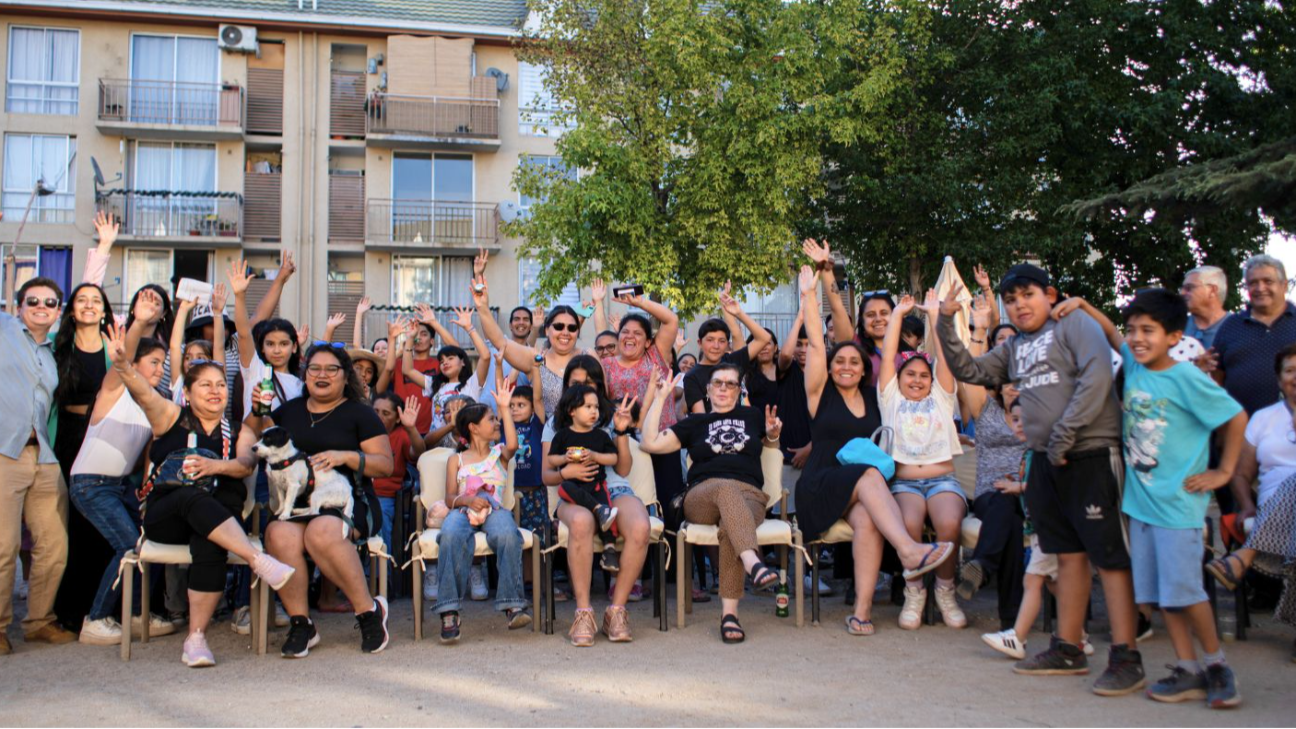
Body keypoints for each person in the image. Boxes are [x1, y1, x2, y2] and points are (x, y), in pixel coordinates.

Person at [935, 262, 1144, 696]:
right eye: (1011, 300)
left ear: (1049, 295)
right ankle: (1068, 647)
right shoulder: (1015, 348)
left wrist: (1064, 435)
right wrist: (943, 321)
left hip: (1089, 454)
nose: (1019, 305)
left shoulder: (1075, 324)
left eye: (1027, 295)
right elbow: (971, 372)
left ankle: (1127, 656)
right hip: (1046, 459)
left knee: (1109, 557)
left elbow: (1097, 378)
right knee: (1066, 554)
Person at [1057, 289, 1246, 707]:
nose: (1137, 338)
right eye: (1133, 329)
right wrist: (1086, 306)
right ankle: (1187, 668)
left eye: (1149, 331)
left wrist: (1224, 471)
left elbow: (1235, 417)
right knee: (1160, 597)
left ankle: (1216, 664)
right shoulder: (1136, 366)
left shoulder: (1186, 377)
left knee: (1186, 592)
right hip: (1140, 505)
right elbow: (1111, 335)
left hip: (1177, 507)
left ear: (1175, 335)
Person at [108, 326, 296, 667]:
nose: (215, 391)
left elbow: (245, 464)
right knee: (188, 496)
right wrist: (123, 366)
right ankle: (256, 560)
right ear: (189, 393)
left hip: (216, 525)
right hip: (167, 517)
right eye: (205, 385)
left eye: (221, 385)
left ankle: (196, 639)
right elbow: (143, 393)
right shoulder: (170, 417)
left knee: (209, 542)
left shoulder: (240, 430)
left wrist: (214, 466)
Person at [793, 266, 954, 637]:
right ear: (830, 369)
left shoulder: (876, 397)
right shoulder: (820, 394)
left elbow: (916, 361)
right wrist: (808, 295)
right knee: (868, 473)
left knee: (867, 519)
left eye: (854, 361)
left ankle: (862, 612)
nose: (846, 366)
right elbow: (817, 343)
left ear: (865, 368)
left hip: (860, 488)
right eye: (839, 362)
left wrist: (931, 317)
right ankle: (910, 551)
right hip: (821, 482)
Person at [247, 344, 395, 658]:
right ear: (305, 374)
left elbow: (385, 464)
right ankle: (301, 623)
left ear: (345, 376)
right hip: (298, 503)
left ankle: (368, 612)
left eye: (332, 369)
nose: (322, 375)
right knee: (277, 534)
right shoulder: (290, 411)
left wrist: (345, 456)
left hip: (347, 502)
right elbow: (257, 435)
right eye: (315, 369)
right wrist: (258, 410)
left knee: (321, 532)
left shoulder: (360, 413)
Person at [639, 364, 783, 643]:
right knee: (725, 487)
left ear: (740, 390)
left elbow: (772, 447)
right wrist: (660, 398)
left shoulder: (753, 416)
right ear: (707, 389)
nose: (724, 389)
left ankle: (730, 615)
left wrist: (773, 434)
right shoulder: (695, 422)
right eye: (718, 383)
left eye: (731, 384)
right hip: (702, 496)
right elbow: (650, 443)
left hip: (750, 497)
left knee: (731, 526)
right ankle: (754, 562)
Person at [70, 291, 176, 645]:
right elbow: (122, 358)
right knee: (129, 547)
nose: (159, 369)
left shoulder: (152, 402)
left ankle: (134, 614)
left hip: (121, 487)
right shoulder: (115, 389)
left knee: (152, 541)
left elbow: (148, 456)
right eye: (153, 362)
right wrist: (142, 321)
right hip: (90, 484)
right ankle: (96, 619)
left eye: (163, 363)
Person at [540, 356, 652, 643]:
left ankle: (616, 611)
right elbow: (547, 475)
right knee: (580, 521)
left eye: (589, 382)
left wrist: (622, 430)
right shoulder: (555, 425)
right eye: (576, 382)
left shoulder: (610, 417)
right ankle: (583, 613)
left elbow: (622, 468)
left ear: (599, 385)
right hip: (575, 493)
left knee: (640, 526)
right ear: (566, 387)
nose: (583, 387)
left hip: (612, 488)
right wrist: (568, 470)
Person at [878, 291, 967, 630]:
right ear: (899, 380)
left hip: (943, 480)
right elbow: (887, 357)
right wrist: (898, 314)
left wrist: (934, 315)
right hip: (905, 483)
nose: (916, 380)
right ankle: (915, 590)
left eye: (922, 376)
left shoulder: (942, 399)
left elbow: (945, 361)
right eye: (910, 375)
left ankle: (945, 590)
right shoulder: (892, 400)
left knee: (949, 526)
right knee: (910, 527)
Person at [980, 400, 1096, 660]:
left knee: (1032, 580)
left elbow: (1050, 488)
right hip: (1041, 529)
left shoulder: (1046, 453)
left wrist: (1020, 487)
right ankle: (1080, 636)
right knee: (1055, 584)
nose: (1019, 425)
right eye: (1016, 419)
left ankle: (1017, 637)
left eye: (1026, 420)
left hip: (1050, 529)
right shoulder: (1032, 452)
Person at [1206, 342, 1296, 664]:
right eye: (1289, 370)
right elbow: (1241, 476)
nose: (1295, 376)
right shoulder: (1263, 418)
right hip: (1273, 503)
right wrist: (1245, 505)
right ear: (1279, 379)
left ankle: (1244, 556)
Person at [592, 278, 681, 598]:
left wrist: (637, 304)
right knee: (635, 508)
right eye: (624, 333)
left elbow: (671, 320)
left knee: (670, 507)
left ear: (647, 342)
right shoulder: (605, 366)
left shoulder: (658, 355)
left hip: (663, 440)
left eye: (637, 333)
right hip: (627, 447)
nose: (629, 337)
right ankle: (635, 575)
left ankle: (672, 580)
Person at [0, 276, 75, 654]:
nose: (41, 307)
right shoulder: (5, 330)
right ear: (18, 306)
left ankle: (39, 621)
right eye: (33, 301)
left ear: (58, 311)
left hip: (42, 456)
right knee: (3, 545)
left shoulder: (50, 353)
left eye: (49, 303)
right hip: (4, 454)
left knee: (54, 544)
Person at [435, 384, 533, 642]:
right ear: (473, 427)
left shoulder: (499, 454)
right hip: (464, 507)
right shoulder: (456, 459)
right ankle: (449, 610)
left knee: (508, 534)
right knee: (450, 534)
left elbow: (512, 443)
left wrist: (503, 406)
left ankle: (512, 605)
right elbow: (448, 497)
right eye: (491, 419)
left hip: (495, 508)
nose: (497, 422)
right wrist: (467, 499)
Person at [50, 280, 115, 631]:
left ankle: (100, 606)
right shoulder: (57, 348)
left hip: (102, 439)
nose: (89, 305)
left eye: (95, 300)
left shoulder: (112, 346)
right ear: (72, 310)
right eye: (81, 300)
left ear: (104, 309)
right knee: (70, 523)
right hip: (67, 440)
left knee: (99, 521)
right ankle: (68, 609)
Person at [957, 311, 1027, 628]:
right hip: (989, 494)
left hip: (1031, 494)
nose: (1014, 387)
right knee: (1005, 507)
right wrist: (980, 329)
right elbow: (970, 374)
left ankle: (983, 565)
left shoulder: (1040, 412)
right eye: (1008, 381)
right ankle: (1009, 621)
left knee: (1011, 517)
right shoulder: (986, 410)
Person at [473, 273, 583, 420]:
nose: (565, 332)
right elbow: (500, 342)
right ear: (547, 330)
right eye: (558, 326)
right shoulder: (535, 358)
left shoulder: (588, 356)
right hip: (547, 439)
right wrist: (483, 308)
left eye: (572, 328)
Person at [1211, 255, 1296, 416]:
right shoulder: (1231, 326)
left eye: (1268, 281)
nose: (1260, 288)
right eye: (1253, 283)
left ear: (1284, 286)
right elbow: (1217, 377)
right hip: (1240, 427)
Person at [401, 307, 490, 449]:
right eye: (441, 361)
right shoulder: (435, 384)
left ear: (462, 362)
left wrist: (469, 327)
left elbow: (485, 356)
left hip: (468, 445)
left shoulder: (472, 383)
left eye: (450, 358)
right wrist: (410, 339)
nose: (445, 363)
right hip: (438, 445)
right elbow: (407, 370)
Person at [229, 257, 304, 420]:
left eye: (283, 344)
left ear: (294, 347)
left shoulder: (302, 386)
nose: (277, 350)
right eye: (270, 344)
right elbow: (243, 333)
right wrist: (239, 296)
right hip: (253, 443)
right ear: (261, 347)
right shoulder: (255, 369)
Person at [683, 284, 771, 413]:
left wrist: (739, 313)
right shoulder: (692, 376)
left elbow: (764, 338)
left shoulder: (732, 361)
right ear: (700, 343)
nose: (716, 346)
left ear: (726, 344)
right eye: (710, 340)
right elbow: (700, 418)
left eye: (722, 341)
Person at [392, 302, 461, 433]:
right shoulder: (399, 364)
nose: (418, 337)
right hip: (402, 430)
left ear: (432, 341)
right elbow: (383, 371)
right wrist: (405, 344)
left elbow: (457, 351)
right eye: (416, 334)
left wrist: (434, 322)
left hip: (433, 431)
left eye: (423, 334)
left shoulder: (440, 365)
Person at [371, 393, 424, 554]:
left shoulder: (401, 435)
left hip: (384, 497)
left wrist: (411, 429)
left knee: (378, 517)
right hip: (357, 494)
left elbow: (419, 453)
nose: (379, 416)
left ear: (397, 418)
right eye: (375, 411)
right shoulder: (361, 430)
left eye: (386, 413)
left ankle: (382, 576)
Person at [1181, 266, 1232, 351]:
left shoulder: (1238, 328)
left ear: (1212, 290)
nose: (1182, 293)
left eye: (1189, 288)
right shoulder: (1175, 326)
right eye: (1183, 288)